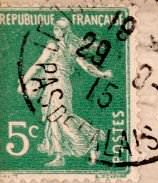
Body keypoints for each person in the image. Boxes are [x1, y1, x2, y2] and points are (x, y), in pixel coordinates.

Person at [21, 17, 112, 167]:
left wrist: (24, 80)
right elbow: (86, 66)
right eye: (54, 29)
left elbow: (38, 65)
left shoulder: (53, 46)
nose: (55, 31)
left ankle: (90, 139)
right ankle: (60, 154)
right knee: (56, 118)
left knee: (61, 119)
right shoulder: (71, 47)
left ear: (64, 32)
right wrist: (102, 74)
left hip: (58, 86)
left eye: (57, 29)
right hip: (58, 85)